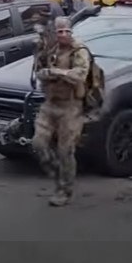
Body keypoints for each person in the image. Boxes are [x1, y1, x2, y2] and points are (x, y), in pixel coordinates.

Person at [32, 16, 92, 207]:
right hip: (50, 104)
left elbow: (80, 75)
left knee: (65, 150)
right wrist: (44, 71)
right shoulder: (51, 50)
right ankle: (57, 173)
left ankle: (64, 190)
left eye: (67, 31)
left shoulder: (79, 51)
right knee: (39, 143)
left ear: (71, 32)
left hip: (71, 107)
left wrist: (57, 72)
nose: (64, 34)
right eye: (60, 31)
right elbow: (39, 71)